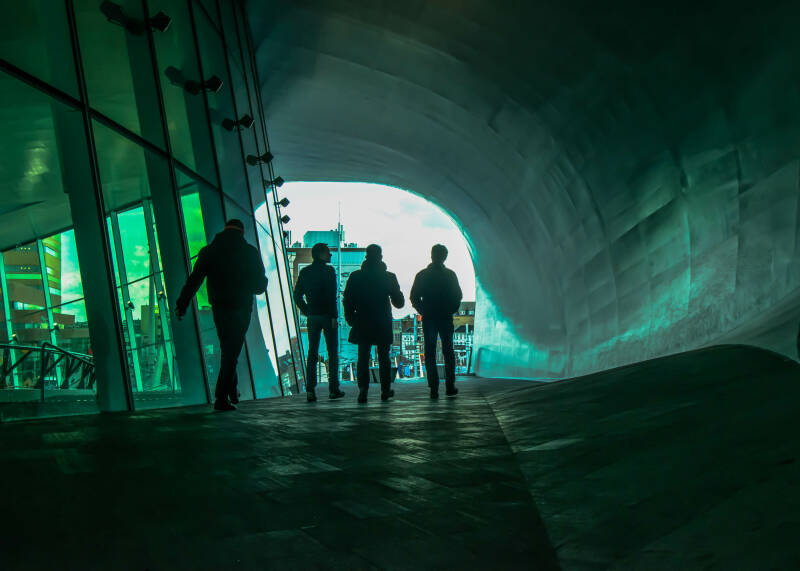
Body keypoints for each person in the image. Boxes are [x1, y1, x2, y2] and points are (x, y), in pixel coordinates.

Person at [175, 219, 266, 411]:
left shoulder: (209, 251)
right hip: (241, 307)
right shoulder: (249, 252)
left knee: (228, 348)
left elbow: (194, 280)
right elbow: (259, 285)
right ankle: (221, 397)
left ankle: (231, 391)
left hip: (220, 307)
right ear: (241, 233)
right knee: (232, 350)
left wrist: (182, 304)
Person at [343, 244, 404, 403]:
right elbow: (399, 303)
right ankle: (385, 390)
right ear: (380, 257)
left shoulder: (355, 276)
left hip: (362, 321)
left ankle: (363, 390)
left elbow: (347, 300)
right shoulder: (388, 277)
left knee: (362, 356)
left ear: (366, 256)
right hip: (382, 322)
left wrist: (351, 320)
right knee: (384, 357)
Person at [293, 242, 345, 402]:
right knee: (332, 352)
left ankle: (310, 390)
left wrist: (307, 311)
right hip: (328, 316)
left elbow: (297, 295)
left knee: (312, 353)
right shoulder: (329, 271)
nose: (330, 255)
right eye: (328, 252)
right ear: (321, 254)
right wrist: (334, 317)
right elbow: (332, 296)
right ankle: (333, 389)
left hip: (313, 317)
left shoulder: (305, 272)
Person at [410, 244, 462, 398]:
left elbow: (414, 297)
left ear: (431, 255)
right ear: (444, 257)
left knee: (430, 351)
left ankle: (433, 387)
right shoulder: (450, 275)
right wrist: (450, 310)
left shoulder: (422, 275)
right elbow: (458, 296)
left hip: (429, 317)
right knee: (448, 351)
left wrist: (423, 310)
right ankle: (450, 385)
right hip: (445, 317)